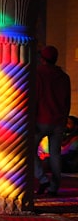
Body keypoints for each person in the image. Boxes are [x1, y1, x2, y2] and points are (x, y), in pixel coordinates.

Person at [34, 45, 72, 196]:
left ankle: (43, 179)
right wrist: (64, 119)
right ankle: (54, 188)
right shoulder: (64, 77)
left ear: (42, 59)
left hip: (41, 119)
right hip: (58, 120)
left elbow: (34, 98)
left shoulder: (38, 74)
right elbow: (67, 101)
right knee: (55, 155)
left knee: (29, 150)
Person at [36, 115, 78, 193]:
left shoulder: (75, 138)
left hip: (70, 163)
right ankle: (53, 187)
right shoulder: (62, 135)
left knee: (45, 158)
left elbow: (70, 155)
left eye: (69, 123)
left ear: (76, 126)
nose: (66, 125)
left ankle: (43, 180)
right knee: (53, 156)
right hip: (57, 122)